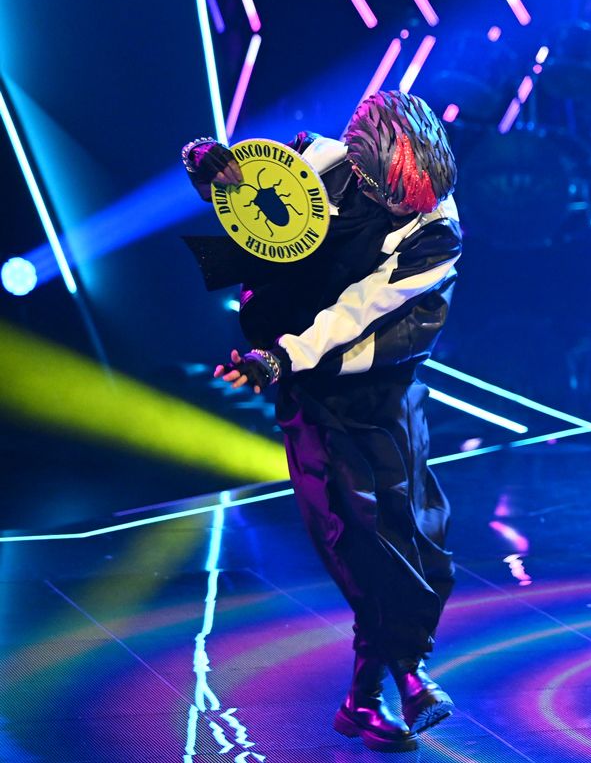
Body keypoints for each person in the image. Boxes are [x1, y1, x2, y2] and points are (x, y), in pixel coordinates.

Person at [180, 91, 462, 752]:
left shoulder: (436, 229)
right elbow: (246, 204)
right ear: (364, 171)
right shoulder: (315, 164)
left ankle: (379, 689)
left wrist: (283, 357)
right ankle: (401, 679)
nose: (413, 209)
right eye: (397, 198)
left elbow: (359, 312)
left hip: (380, 380)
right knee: (355, 531)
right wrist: (206, 163)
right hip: (313, 391)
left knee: (414, 535)